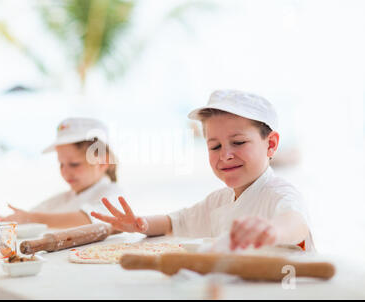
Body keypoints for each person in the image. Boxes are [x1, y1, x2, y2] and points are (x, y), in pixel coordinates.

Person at [91, 90, 315, 251]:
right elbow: (176, 221)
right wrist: (141, 224)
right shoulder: (218, 201)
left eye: (238, 143)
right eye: (214, 146)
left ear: (271, 144)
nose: (225, 155)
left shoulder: (279, 193)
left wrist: (272, 230)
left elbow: (295, 223)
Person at [0, 117, 122, 229]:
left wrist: (31, 218)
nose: (65, 171)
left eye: (74, 164)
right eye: (61, 164)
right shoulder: (63, 199)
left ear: (103, 163)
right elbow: (25, 219)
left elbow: (88, 219)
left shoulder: (112, 194)